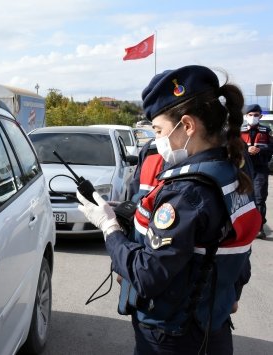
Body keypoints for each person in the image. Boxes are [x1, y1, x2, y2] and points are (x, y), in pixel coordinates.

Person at [77, 65, 261, 354]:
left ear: (187, 125)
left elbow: (148, 276)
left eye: (159, 130)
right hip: (212, 324)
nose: (158, 140)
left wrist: (109, 228)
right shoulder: (231, 170)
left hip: (173, 334)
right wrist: (229, 293)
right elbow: (237, 247)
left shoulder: (187, 191)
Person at [240, 104, 273, 239]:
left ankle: (259, 228)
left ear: (260, 116)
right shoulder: (238, 131)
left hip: (260, 169)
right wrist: (246, 150)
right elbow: (231, 148)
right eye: (250, 115)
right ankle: (243, 227)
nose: (253, 117)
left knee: (259, 198)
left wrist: (259, 150)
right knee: (243, 198)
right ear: (246, 116)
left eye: (256, 115)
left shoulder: (266, 131)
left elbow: (272, 148)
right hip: (243, 169)